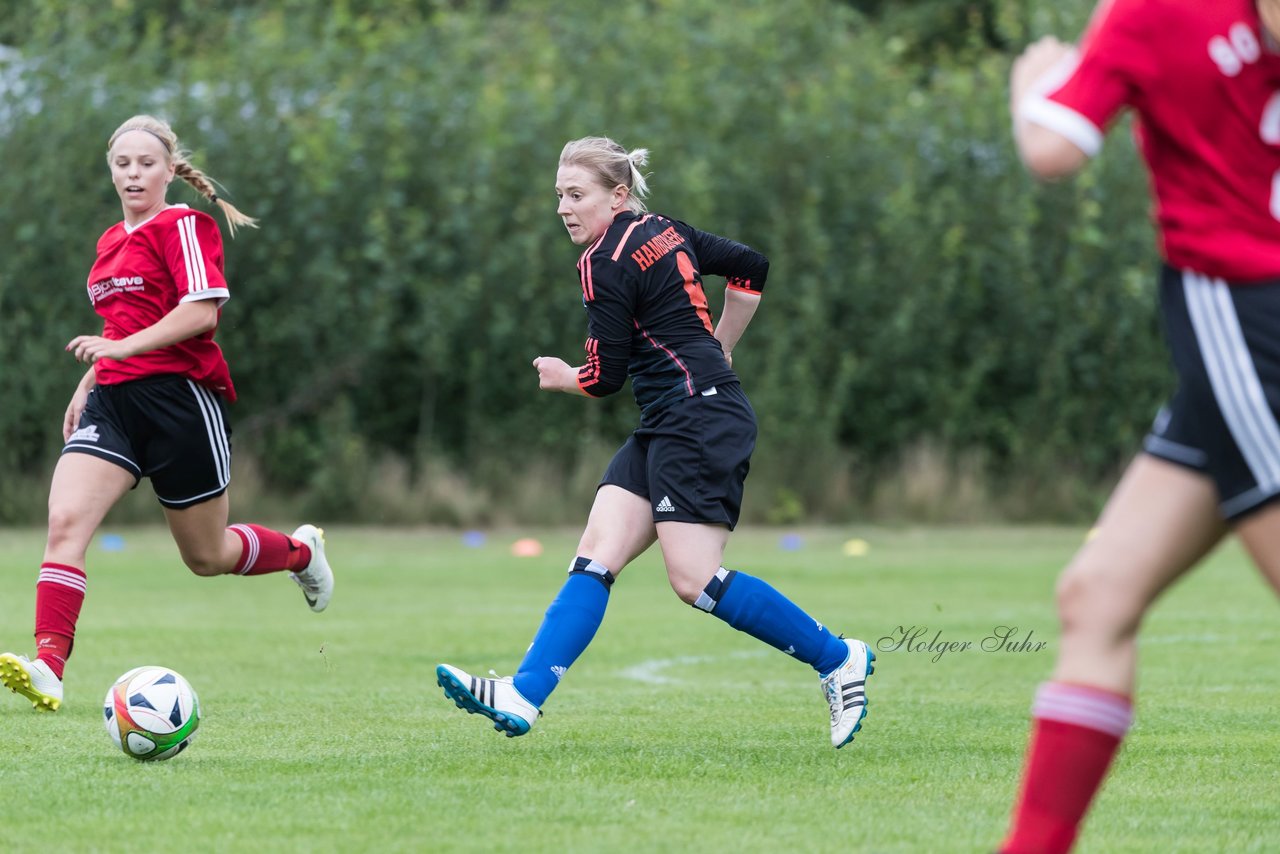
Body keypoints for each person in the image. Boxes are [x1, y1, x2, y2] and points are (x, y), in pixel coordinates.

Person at [435, 136, 874, 748]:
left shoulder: (602, 261)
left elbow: (604, 377)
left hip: (697, 419)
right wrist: (722, 345)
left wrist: (565, 378)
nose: (564, 207)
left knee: (694, 580)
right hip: (680, 414)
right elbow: (752, 265)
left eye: (577, 194)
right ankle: (523, 693)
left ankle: (837, 658)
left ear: (618, 195)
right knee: (597, 554)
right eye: (559, 195)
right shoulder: (662, 228)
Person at [1001, 2, 1280, 851]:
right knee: (1098, 596)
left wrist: (1034, 85)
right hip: (1232, 349)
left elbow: (1053, 146)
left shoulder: (1156, 8)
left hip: (1247, 318)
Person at [0, 115, 335, 713]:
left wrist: (120, 350)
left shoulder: (183, 224)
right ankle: (47, 666)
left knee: (207, 557)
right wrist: (89, 380)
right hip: (115, 403)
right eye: (122, 163)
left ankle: (302, 553)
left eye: (146, 163)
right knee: (65, 521)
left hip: (180, 401)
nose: (133, 173)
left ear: (168, 170)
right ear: (110, 170)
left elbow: (201, 312)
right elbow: (118, 328)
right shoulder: (109, 241)